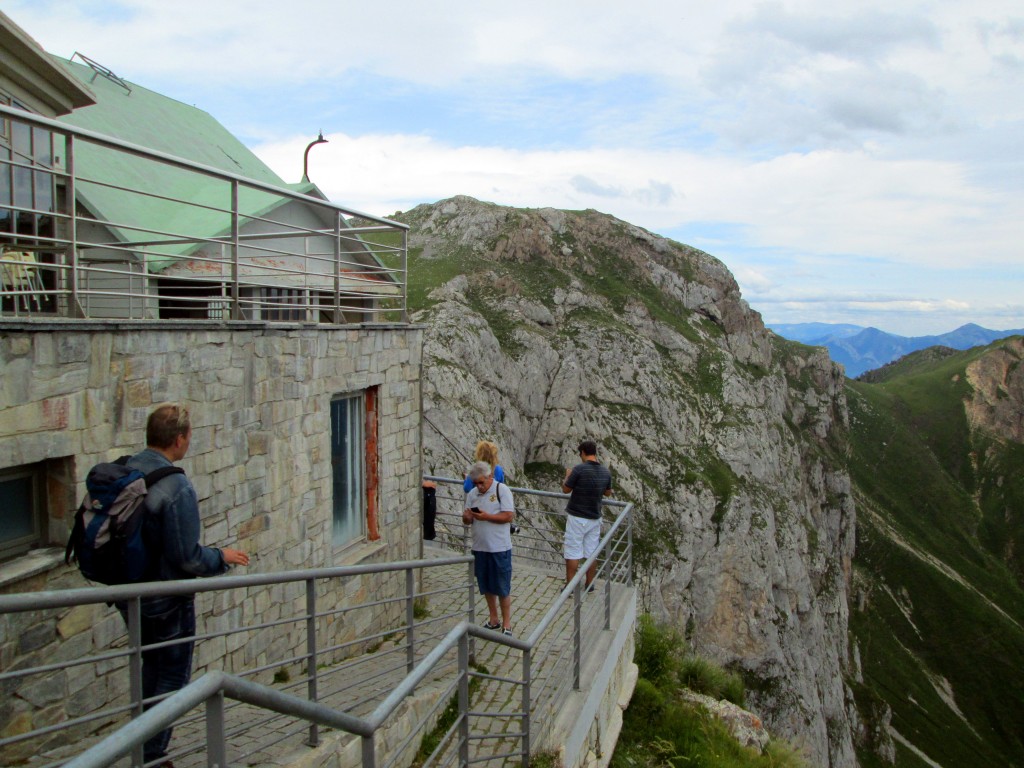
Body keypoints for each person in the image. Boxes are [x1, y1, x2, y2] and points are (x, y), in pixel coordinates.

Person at [123, 403, 249, 767]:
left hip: (131, 596)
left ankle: (140, 743)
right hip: (166, 599)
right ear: (179, 440)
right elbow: (187, 557)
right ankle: (151, 754)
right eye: (189, 436)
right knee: (172, 676)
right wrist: (222, 557)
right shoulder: (175, 486)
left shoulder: (130, 468)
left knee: (149, 668)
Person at [463, 461, 515, 636]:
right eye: (475, 483)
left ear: (490, 477)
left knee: (502, 586)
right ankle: (493, 619)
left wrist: (487, 517)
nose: (479, 486)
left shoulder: (502, 490)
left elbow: (508, 515)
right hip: (480, 547)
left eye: (481, 482)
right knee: (486, 586)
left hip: (499, 547)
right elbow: (467, 521)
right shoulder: (472, 494)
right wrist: (467, 517)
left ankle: (506, 624)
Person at [562, 439, 613, 589]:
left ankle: (570, 586)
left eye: (580, 454)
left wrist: (567, 476)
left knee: (573, 552)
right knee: (591, 553)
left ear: (583, 453)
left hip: (577, 517)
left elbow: (566, 490)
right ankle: (589, 584)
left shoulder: (578, 469)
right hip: (595, 518)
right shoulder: (605, 471)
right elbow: (608, 493)